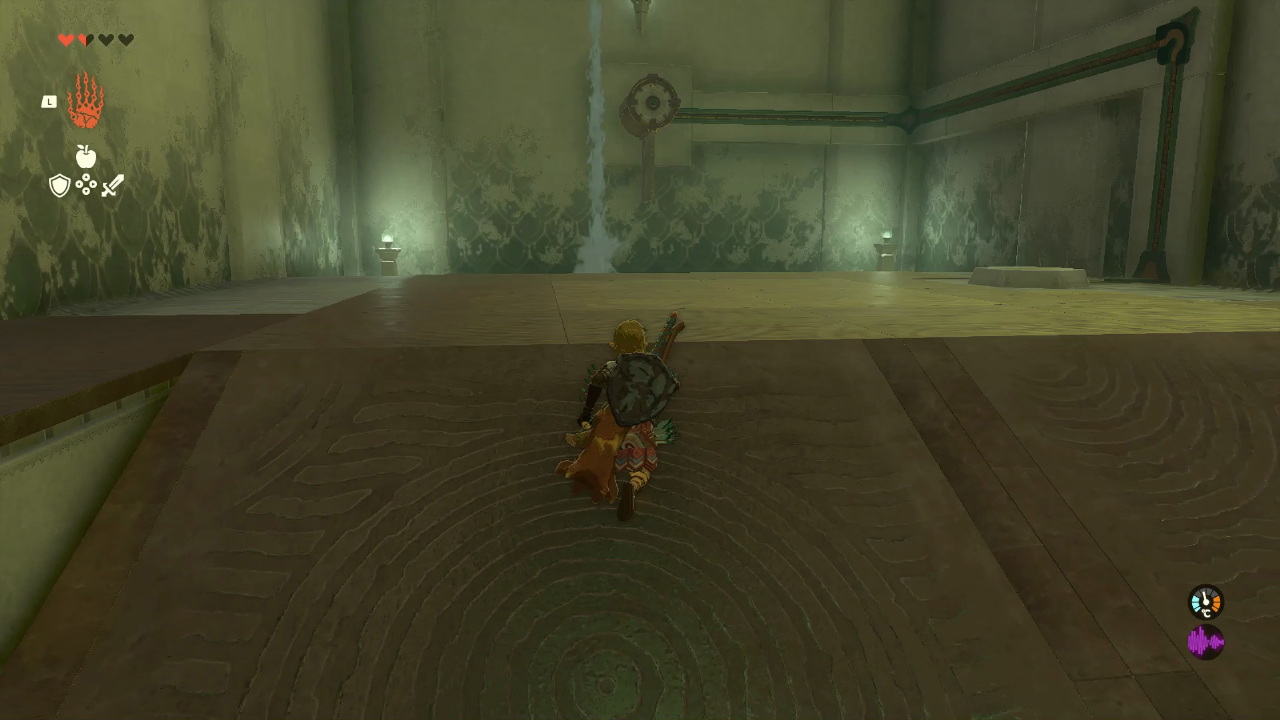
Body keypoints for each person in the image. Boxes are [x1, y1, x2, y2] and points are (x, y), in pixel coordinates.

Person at [563, 319, 661, 522]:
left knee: (605, 444)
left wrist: (586, 412)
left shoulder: (613, 365)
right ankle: (633, 485)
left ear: (615, 345)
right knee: (642, 467)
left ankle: (586, 442)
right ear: (643, 344)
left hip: (614, 420)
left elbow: (597, 381)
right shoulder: (648, 367)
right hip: (638, 424)